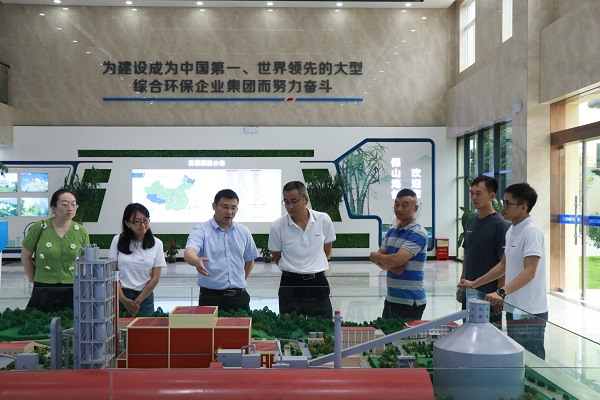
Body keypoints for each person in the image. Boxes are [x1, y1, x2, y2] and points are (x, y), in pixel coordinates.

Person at [458, 183, 548, 359]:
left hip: (530, 311)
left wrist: (501, 292)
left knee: (532, 361)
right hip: (514, 306)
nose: (503, 207)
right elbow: (503, 265)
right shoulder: (512, 230)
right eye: (503, 202)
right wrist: (474, 283)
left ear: (523, 207)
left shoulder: (532, 232)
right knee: (516, 357)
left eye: (508, 203)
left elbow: (530, 271)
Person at [268, 181, 335, 319]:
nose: (290, 206)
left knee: (322, 325)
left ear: (305, 200)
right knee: (290, 327)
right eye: (286, 202)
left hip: (317, 282)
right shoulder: (277, 226)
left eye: (294, 201)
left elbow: (327, 249)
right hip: (290, 283)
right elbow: (277, 256)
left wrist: (314, 266)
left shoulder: (323, 219)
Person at [184, 189, 258, 312]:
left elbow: (249, 261)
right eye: (225, 207)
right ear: (214, 206)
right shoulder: (201, 230)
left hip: (239, 297)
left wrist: (239, 282)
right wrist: (196, 261)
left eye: (233, 208)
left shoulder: (243, 231)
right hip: (211, 297)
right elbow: (189, 252)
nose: (229, 212)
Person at [21, 188, 90, 313]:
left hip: (72, 288)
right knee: (41, 322)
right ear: (53, 207)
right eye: (65, 204)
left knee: (70, 322)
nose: (70, 208)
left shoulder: (81, 231)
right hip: (43, 288)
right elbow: (25, 257)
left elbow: (86, 260)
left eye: (73, 204)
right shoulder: (39, 228)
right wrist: (34, 279)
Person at [457, 176, 510, 325]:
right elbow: (467, 255)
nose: (474, 197)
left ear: (491, 196)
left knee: (489, 335)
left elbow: (504, 263)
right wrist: (462, 284)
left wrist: (500, 292)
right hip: (470, 290)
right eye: (471, 193)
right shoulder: (471, 221)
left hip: (489, 294)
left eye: (478, 193)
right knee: (467, 331)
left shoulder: (500, 225)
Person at [370, 188, 428, 320]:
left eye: (405, 205)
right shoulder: (392, 231)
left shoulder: (418, 233)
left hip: (410, 301)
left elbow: (395, 260)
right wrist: (390, 266)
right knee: (386, 332)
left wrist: (375, 256)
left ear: (415, 208)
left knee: (405, 335)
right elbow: (383, 261)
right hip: (391, 298)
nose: (399, 209)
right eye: (396, 205)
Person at [109, 203, 166, 317]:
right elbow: (112, 273)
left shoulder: (157, 244)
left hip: (144, 296)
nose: (142, 225)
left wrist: (138, 301)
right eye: (137, 221)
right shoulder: (117, 240)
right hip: (120, 295)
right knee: (118, 326)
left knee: (144, 327)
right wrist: (123, 299)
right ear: (127, 223)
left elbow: (155, 278)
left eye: (146, 220)